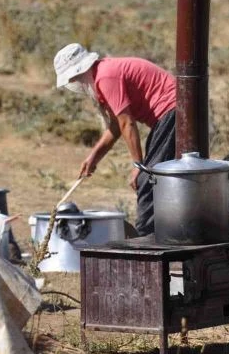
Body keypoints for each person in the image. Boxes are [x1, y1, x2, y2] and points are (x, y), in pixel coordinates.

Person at [53, 43, 176, 236]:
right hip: (171, 115)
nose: (75, 85)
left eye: (73, 79)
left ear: (81, 72)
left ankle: (148, 240)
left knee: (148, 180)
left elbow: (127, 124)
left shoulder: (106, 77)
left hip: (172, 111)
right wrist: (94, 157)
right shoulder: (104, 74)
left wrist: (138, 166)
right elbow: (116, 126)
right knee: (163, 178)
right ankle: (166, 231)